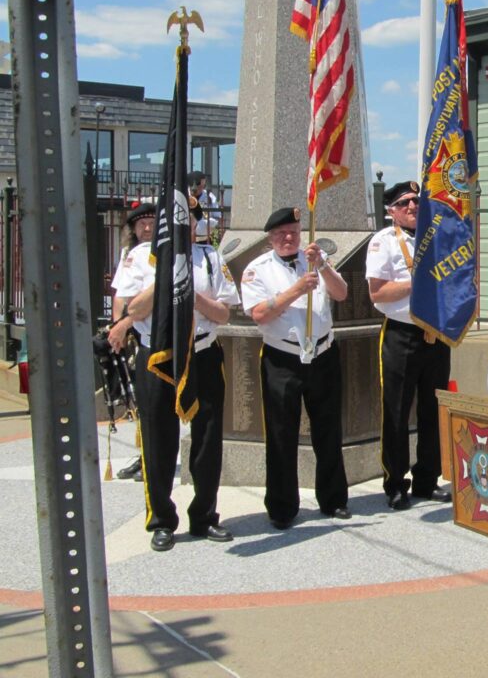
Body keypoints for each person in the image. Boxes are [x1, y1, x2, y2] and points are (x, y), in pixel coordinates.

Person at [121, 200, 240, 551]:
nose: (180, 229)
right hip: (158, 356)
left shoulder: (210, 258)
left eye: (186, 223)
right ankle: (161, 519)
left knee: (207, 440)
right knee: (158, 438)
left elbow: (223, 314)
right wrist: (166, 274)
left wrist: (193, 293)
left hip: (203, 353)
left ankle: (204, 516)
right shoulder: (141, 257)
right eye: (172, 222)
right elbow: (133, 309)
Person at [240, 207, 351, 529]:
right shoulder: (257, 269)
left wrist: (324, 266)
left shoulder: (314, 260)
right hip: (283, 358)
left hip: (323, 354)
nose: (287, 238)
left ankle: (334, 500)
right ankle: (282, 507)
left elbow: (342, 294)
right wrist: (295, 291)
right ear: (270, 238)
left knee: (328, 432)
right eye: (280, 234)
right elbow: (259, 314)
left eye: (292, 231)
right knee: (281, 435)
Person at [365, 181, 452, 510]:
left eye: (416, 200)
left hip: (435, 332)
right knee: (397, 411)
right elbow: (377, 294)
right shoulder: (383, 242)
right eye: (404, 203)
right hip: (401, 333)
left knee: (432, 410)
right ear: (391, 211)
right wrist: (417, 281)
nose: (413, 206)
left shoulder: (436, 236)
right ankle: (395, 483)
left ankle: (427, 480)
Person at [107, 201, 156, 481]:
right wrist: (118, 328)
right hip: (134, 334)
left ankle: (154, 457)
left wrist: (126, 322)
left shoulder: (161, 253)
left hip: (151, 332)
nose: (146, 228)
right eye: (141, 224)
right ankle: (144, 455)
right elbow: (120, 296)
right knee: (138, 401)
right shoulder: (130, 254)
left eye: (150, 223)